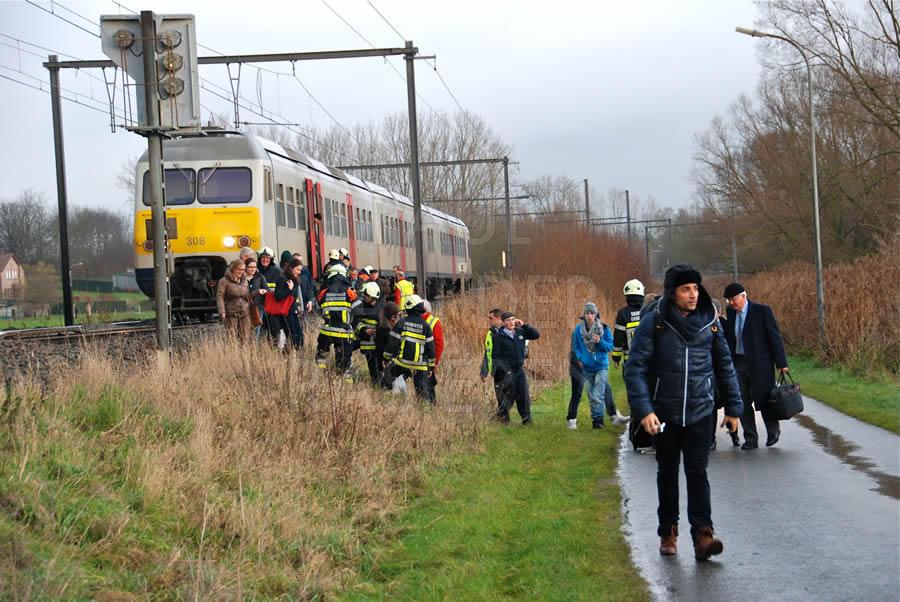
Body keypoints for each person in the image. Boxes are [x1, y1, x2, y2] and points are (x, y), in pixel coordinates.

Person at [625, 264, 743, 560]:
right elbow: (635, 368)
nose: (693, 294)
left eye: (695, 288)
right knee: (667, 472)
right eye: (685, 289)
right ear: (672, 292)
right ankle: (668, 530)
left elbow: (724, 365)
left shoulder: (710, 321)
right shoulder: (654, 323)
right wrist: (644, 410)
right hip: (664, 414)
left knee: (697, 471)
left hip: (701, 410)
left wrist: (733, 408)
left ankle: (703, 534)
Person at [723, 282, 789, 450]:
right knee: (742, 401)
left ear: (743, 296)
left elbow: (774, 337)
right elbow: (730, 337)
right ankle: (751, 438)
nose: (731, 303)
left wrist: (781, 363)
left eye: (733, 299)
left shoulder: (762, 311)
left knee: (765, 398)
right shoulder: (731, 312)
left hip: (760, 364)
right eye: (729, 300)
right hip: (739, 363)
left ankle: (773, 431)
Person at [567, 303, 615, 430]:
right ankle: (596, 420)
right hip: (587, 367)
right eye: (587, 313)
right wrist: (581, 358)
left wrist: (600, 341)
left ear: (596, 315)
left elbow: (610, 347)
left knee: (598, 394)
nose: (589, 316)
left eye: (592, 313)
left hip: (601, 366)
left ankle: (598, 421)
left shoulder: (604, 328)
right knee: (591, 396)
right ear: (584, 315)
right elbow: (576, 347)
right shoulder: (578, 330)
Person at [381, 294, 435, 402]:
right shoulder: (426, 326)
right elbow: (430, 349)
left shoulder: (401, 322)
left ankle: (387, 402)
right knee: (422, 392)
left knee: (386, 380)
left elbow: (393, 344)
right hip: (420, 365)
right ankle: (424, 407)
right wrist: (431, 367)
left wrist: (386, 358)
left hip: (402, 362)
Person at [490, 311, 540, 425]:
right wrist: (503, 370)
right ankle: (503, 419)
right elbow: (495, 356)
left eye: (513, 319)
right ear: (503, 323)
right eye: (508, 320)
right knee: (505, 397)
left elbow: (536, 335)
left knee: (524, 395)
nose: (511, 322)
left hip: (519, 370)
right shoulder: (498, 337)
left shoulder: (520, 332)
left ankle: (526, 420)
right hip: (505, 372)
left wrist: (524, 325)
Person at [316, 263, 359, 373]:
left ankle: (321, 375)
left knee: (321, 355)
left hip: (326, 332)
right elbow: (359, 310)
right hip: (343, 333)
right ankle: (344, 377)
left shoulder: (324, 292)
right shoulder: (350, 292)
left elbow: (319, 307)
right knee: (344, 360)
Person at [351, 281, 384, 384]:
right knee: (373, 369)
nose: (364, 296)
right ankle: (376, 385)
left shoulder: (381, 309)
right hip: (366, 343)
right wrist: (364, 329)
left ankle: (380, 385)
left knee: (380, 367)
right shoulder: (361, 307)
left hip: (379, 345)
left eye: (366, 295)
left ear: (372, 296)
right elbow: (355, 322)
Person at [271, 258, 304, 350]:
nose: (299, 272)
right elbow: (278, 296)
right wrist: (289, 289)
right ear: (291, 268)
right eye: (298, 269)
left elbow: (294, 297)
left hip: (293, 311)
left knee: (299, 335)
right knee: (291, 335)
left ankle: (298, 353)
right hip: (285, 313)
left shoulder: (294, 279)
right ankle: (288, 353)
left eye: (300, 270)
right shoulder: (283, 279)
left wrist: (297, 306)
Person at [216, 259, 253, 341]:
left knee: (245, 338)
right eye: (239, 269)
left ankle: (245, 350)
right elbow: (220, 296)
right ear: (233, 268)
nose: (241, 271)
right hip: (231, 313)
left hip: (245, 312)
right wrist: (222, 311)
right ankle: (233, 350)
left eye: (243, 269)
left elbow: (247, 296)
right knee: (231, 338)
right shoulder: (224, 281)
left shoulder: (245, 280)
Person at [612, 279, 645, 371]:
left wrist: (616, 357)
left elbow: (618, 338)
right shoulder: (649, 310)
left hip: (631, 361)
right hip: (649, 361)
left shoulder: (623, 313)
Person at [422, 300, 445, 402]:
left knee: (421, 386)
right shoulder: (435, 322)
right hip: (428, 360)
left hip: (415, 359)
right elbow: (439, 344)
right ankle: (430, 405)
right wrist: (435, 362)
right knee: (429, 385)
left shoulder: (413, 320)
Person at [375, 301, 401, 376]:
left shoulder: (380, 326)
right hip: (387, 364)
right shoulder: (389, 331)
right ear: (393, 317)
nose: (399, 317)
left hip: (381, 362)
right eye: (398, 315)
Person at [245, 258, 268, 340]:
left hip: (258, 308)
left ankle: (254, 346)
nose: (253, 269)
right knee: (245, 329)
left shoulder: (260, 277)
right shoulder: (241, 278)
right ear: (245, 267)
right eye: (250, 267)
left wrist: (264, 291)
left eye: (254, 267)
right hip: (244, 307)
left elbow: (267, 290)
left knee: (255, 330)